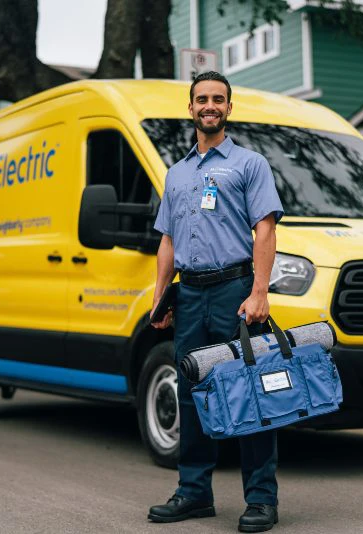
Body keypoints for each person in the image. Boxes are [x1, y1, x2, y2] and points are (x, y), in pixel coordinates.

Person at [147, 71, 284, 533]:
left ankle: (262, 500)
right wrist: (160, 294)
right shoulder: (176, 172)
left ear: (229, 107)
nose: (210, 106)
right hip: (189, 294)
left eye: (218, 99)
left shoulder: (249, 164)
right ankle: (194, 493)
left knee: (249, 391)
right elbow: (167, 239)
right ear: (190, 108)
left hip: (233, 291)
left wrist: (259, 290)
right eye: (202, 99)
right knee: (192, 393)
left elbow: (265, 228)